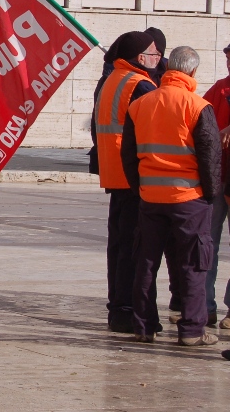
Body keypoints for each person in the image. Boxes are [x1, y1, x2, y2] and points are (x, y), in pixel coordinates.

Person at [122, 46, 222, 346]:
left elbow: (128, 155)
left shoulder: (141, 104)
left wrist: (140, 187)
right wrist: (211, 195)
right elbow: (210, 157)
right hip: (188, 199)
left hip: (151, 197)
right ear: (192, 72)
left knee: (146, 263)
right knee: (192, 264)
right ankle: (191, 330)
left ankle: (144, 326)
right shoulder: (197, 105)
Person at [91, 31, 161, 333]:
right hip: (135, 177)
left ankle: (118, 310)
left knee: (118, 247)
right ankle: (130, 311)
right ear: (139, 57)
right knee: (135, 250)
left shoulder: (112, 79)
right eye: (154, 55)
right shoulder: (140, 84)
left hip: (115, 174)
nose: (157, 60)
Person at [201, 42, 230, 330]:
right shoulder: (219, 89)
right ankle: (205, 306)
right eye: (229, 60)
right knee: (207, 241)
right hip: (217, 175)